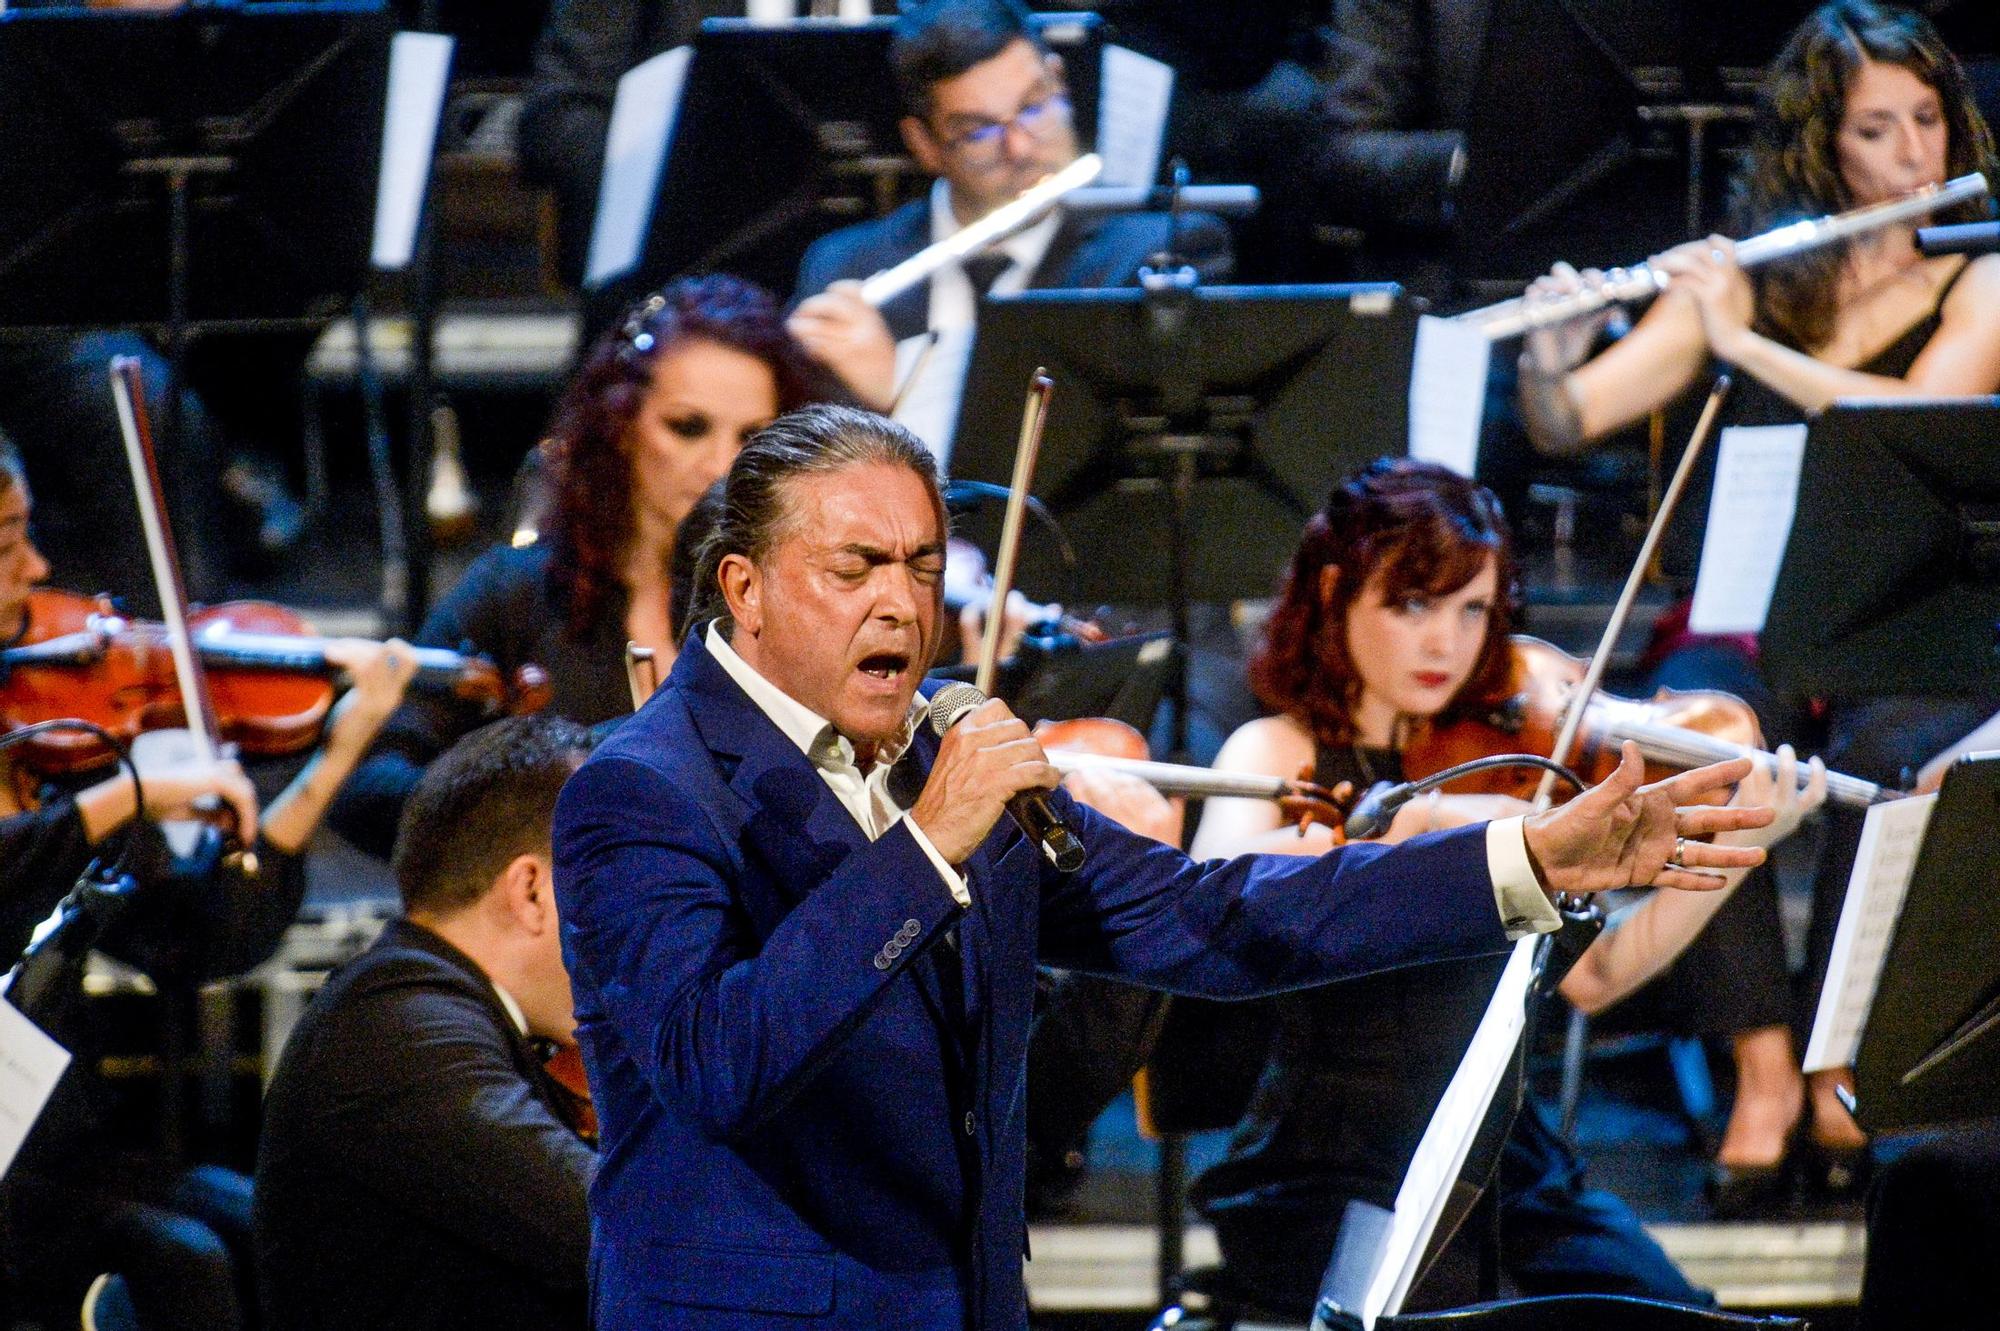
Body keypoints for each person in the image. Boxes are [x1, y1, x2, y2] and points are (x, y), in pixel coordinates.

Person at [550, 403, 1771, 1331]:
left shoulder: (939, 738)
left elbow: (1207, 914)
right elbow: (717, 1062)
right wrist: (926, 847)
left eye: (921, 566)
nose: (900, 606)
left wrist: (1519, 853)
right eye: (853, 567)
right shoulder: (642, 789)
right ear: (744, 590)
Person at [1517, 0, 2000, 1193]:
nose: (1912, 156)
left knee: (1899, 758)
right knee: (1707, 742)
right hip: (1747, 614)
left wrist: (1740, 347)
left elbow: (1902, 419)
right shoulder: (1756, 273)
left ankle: (1842, 1067)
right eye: (1876, 130)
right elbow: (1567, 417)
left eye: (1926, 121)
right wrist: (1549, 346)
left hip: (1906, 626)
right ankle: (1760, 1064)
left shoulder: (1978, 277)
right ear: (1822, 146)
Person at [1177, 459, 1823, 1312]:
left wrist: (1740, 850)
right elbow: (1220, 899)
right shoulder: (1276, 751)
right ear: (1335, 593)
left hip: (1506, 1161)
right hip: (1333, 1168)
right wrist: (1409, 823)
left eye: (1472, 608)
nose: (1447, 642)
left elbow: (1595, 978)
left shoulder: (1507, 766)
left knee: (1678, 1312)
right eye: (1412, 605)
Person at [0, 435, 417, 1331]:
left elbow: (200, 938)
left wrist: (334, 758)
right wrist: (134, 792)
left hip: (60, 1151)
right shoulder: (86, 789)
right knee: (183, 1263)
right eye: (6, 546)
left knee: (276, 1219)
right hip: (9, 1185)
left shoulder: (51, 747)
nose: (37, 569)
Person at [330, 274, 834, 858]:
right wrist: (544, 796)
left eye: (753, 435)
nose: (723, 465)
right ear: (621, 428)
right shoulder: (521, 591)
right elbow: (368, 792)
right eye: (687, 428)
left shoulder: (807, 607)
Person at [255, 715, 599, 1331]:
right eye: (613, 879)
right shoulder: (396, 1024)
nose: (638, 915)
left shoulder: (435, 1005)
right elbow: (610, 1228)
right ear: (531, 892)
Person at [786, 0, 1232, 449]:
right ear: (924, 144)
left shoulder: (1153, 262)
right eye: (978, 132)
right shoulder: (842, 265)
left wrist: (903, 393)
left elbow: (1095, 454)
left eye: (1033, 106)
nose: (1019, 148)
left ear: (1058, 80)